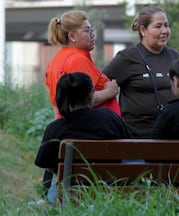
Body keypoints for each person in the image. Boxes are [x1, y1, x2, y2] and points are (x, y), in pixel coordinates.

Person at [34, 72, 130, 202]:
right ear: (91, 95)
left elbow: (49, 166)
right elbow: (127, 149)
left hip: (70, 191)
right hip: (111, 189)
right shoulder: (110, 118)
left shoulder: (55, 128)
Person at [103, 6, 179, 138]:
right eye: (158, 26)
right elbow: (100, 84)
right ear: (143, 30)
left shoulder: (175, 57)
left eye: (166, 25)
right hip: (136, 138)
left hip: (171, 136)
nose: (164, 31)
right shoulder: (127, 58)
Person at [46, 10, 120, 118]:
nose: (92, 34)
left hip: (71, 128)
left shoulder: (57, 59)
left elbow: (57, 106)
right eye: (87, 30)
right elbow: (82, 101)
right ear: (72, 36)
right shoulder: (77, 60)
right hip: (91, 130)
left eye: (92, 29)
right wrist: (110, 91)